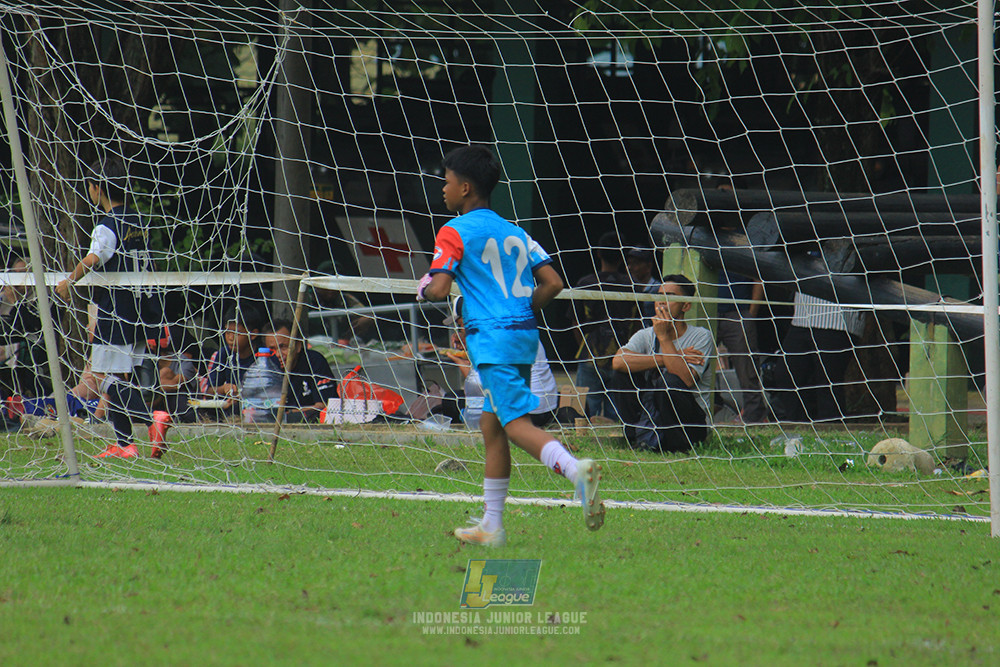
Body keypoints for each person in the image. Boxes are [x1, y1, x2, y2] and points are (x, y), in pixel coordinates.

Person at [418, 144, 604, 546]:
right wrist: (519, 306)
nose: (443, 190)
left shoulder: (453, 231)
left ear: (465, 188)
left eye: (446, 183)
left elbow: (439, 288)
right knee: (491, 425)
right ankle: (492, 524)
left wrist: (424, 290)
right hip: (524, 335)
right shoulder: (515, 231)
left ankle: (576, 470)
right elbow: (553, 283)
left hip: (493, 339)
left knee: (515, 423)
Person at [55, 158, 157, 458]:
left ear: (97, 188)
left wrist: (68, 282)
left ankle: (154, 420)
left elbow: (94, 257)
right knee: (120, 377)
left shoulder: (106, 226)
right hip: (141, 309)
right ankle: (126, 445)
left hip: (116, 311)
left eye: (90, 186)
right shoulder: (139, 222)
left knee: (104, 375)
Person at [610, 276, 715, 452]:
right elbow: (618, 362)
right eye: (659, 296)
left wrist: (664, 337)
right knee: (622, 374)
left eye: (670, 296)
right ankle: (636, 438)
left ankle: (676, 446)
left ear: (685, 306)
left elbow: (686, 380)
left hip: (688, 424)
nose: (662, 302)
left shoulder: (701, 336)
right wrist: (671, 356)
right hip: (652, 415)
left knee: (667, 382)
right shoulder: (645, 334)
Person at [445, 295, 558, 428]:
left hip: (526, 412)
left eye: (460, 325)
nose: (460, 331)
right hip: (548, 407)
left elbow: (479, 387)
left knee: (451, 400)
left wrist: (461, 362)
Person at [565, 232, 635, 419]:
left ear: (598, 253)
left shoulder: (586, 283)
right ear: (623, 256)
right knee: (617, 411)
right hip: (622, 354)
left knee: (584, 411)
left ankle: (583, 440)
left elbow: (575, 322)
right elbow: (635, 324)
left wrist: (585, 346)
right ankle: (618, 443)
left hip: (590, 354)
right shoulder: (630, 285)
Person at [769, 292, 864, 422]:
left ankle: (831, 431)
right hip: (802, 316)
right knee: (786, 375)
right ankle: (797, 427)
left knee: (828, 382)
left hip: (837, 320)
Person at [716, 270, 767, 423]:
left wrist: (750, 314)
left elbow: (758, 277)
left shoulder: (744, 246)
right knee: (697, 362)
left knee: (747, 368)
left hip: (738, 312)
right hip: (707, 310)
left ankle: (754, 416)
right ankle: (706, 408)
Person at [263, 318, 336, 423]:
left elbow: (324, 407)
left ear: (298, 346)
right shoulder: (265, 367)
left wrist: (287, 416)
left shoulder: (314, 362)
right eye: (272, 349)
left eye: (283, 347)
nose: (278, 354)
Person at [201, 303, 263, 412]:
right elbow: (209, 391)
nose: (230, 338)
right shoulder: (224, 354)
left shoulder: (263, 356)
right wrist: (223, 389)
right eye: (227, 331)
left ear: (253, 334)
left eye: (236, 333)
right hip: (228, 408)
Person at [626, 247, 660, 325]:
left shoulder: (658, 289)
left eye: (635, 263)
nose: (630, 267)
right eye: (628, 263)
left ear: (648, 266)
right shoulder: (627, 288)